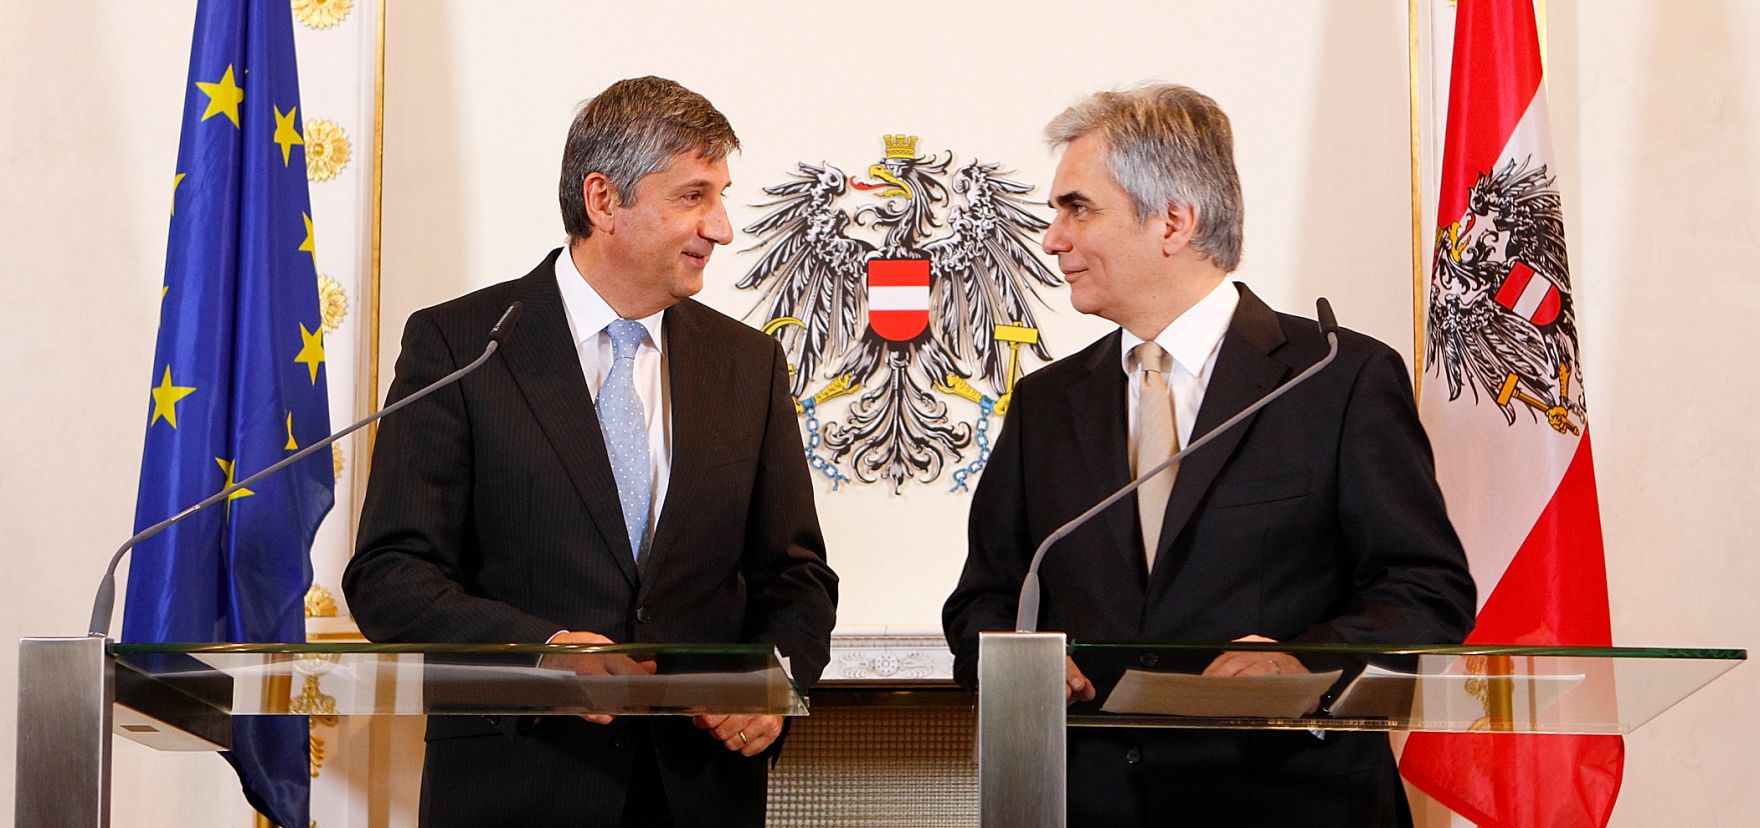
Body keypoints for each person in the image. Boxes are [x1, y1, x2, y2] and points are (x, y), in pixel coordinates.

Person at [942, 83, 1476, 827]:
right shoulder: (1047, 402)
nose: (1053, 237)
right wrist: (1007, 658)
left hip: (1287, 801)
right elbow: (984, 597)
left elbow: (1426, 589)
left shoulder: (1336, 377)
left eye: (1078, 208)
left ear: (1173, 220)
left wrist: (1301, 659)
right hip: (1093, 805)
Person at [344, 76, 838, 828]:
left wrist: (771, 685)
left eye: (720, 195)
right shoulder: (462, 346)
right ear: (604, 201)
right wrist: (540, 649)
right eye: (694, 196)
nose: (723, 227)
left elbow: (795, 577)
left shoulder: (748, 365)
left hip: (698, 794)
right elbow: (390, 575)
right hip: (517, 786)